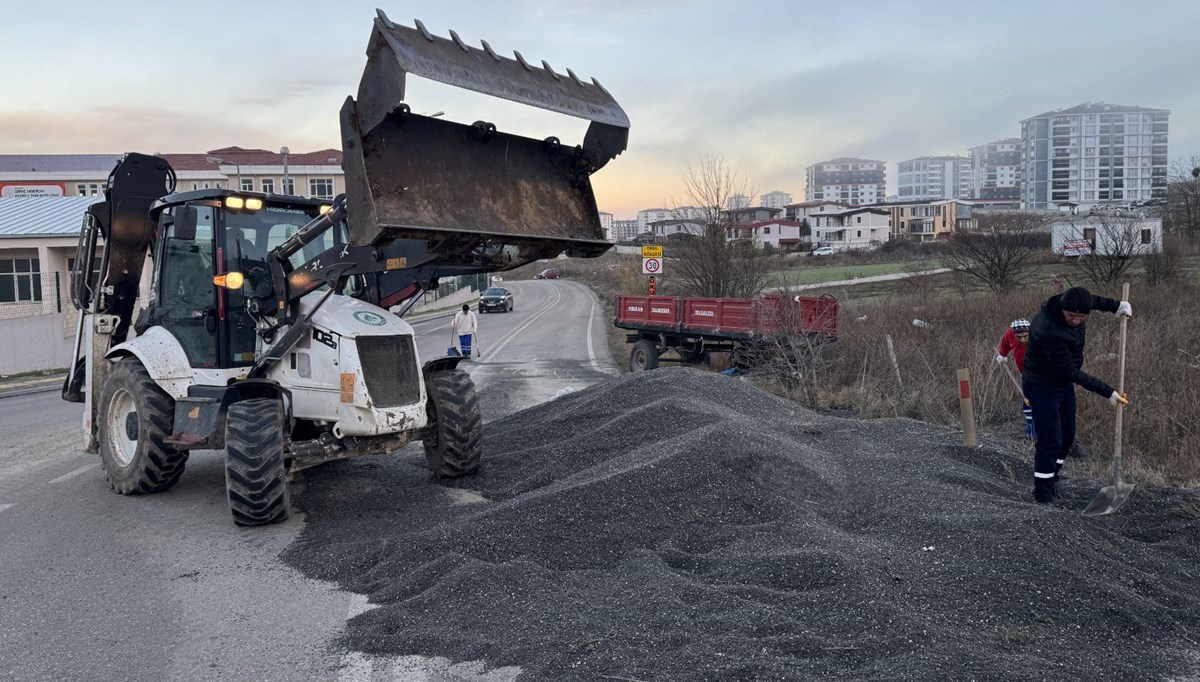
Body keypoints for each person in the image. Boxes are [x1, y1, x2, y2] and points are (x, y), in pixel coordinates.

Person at [1021, 287, 1132, 504]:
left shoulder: (1074, 304)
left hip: (1062, 383)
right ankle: (1042, 495)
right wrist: (1107, 392)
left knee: (1068, 435)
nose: (1076, 321)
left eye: (1081, 317)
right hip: (1041, 385)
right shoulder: (1048, 330)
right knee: (1050, 440)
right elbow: (1069, 371)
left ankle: (1052, 477)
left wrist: (1116, 306)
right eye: (1071, 316)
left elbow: (1093, 300)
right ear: (1063, 309)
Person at [996, 318, 1035, 440]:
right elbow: (1005, 342)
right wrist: (1002, 355)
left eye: (1025, 336)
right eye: (1019, 337)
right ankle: (1031, 432)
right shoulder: (1009, 334)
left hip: (1043, 374)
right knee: (1028, 402)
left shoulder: (1039, 337)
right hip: (1025, 374)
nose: (1023, 340)